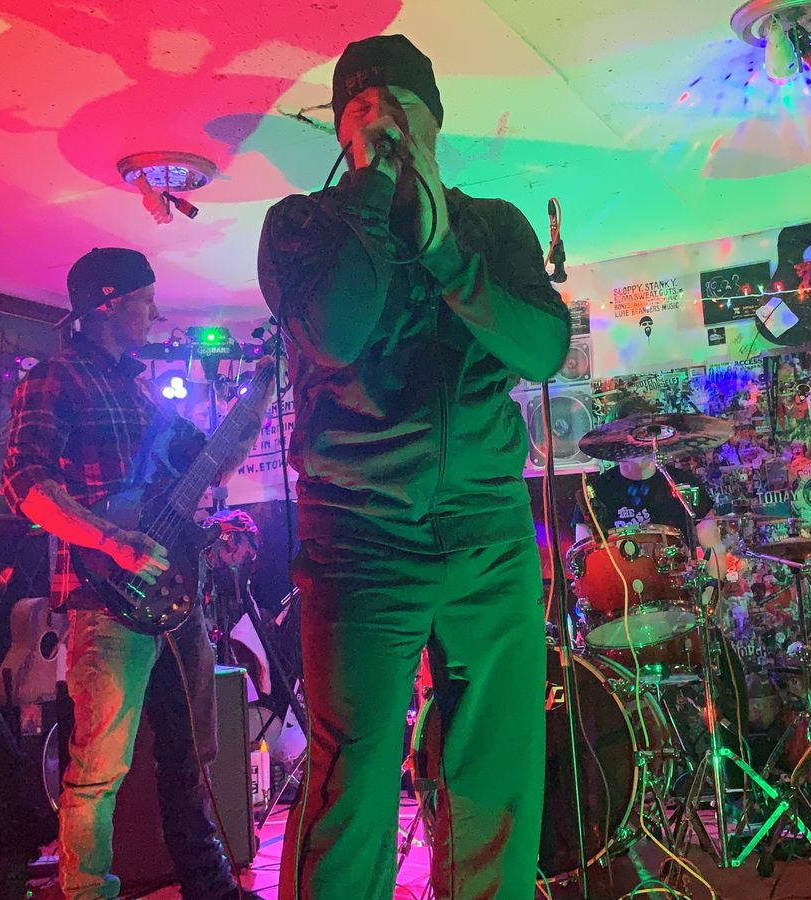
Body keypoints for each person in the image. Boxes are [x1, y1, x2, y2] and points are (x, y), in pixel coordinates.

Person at [257, 34, 570, 900]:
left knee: (496, 775)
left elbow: (542, 349)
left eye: (401, 105)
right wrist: (369, 198)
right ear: (339, 132)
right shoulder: (301, 225)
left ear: (436, 120)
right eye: (361, 107)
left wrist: (445, 253)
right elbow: (335, 333)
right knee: (351, 783)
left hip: (488, 533)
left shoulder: (494, 225)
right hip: (359, 537)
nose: (383, 120)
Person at [1, 247, 269, 900]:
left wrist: (261, 391)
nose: (154, 311)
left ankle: (209, 886)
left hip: (177, 600)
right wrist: (112, 542)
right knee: (98, 770)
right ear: (109, 304)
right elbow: (23, 480)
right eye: (145, 299)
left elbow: (210, 461)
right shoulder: (54, 379)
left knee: (191, 757)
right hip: (105, 601)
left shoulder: (142, 392)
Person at [571, 398, 726, 579]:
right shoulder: (595, 492)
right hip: (622, 591)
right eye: (633, 435)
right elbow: (583, 561)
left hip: (678, 590)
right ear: (615, 442)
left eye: (647, 434)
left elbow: (715, 551)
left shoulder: (686, 485)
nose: (641, 443)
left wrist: (710, 590)